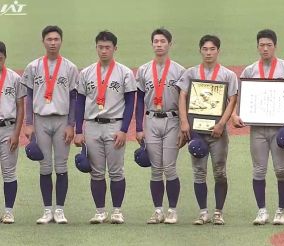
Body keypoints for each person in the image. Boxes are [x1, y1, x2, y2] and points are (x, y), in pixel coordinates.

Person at [231, 29, 284, 225]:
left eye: (268, 45)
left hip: (280, 128)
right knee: (258, 170)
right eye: (261, 45)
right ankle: (262, 210)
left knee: (281, 170)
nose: (265, 49)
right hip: (258, 128)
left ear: (275, 46)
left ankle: (281, 210)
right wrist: (236, 115)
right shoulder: (250, 70)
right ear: (257, 47)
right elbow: (240, 96)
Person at [74, 30, 136, 224]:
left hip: (115, 125)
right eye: (100, 47)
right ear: (96, 48)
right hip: (92, 126)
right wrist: (78, 130)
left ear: (115, 48)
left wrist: (124, 129)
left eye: (107, 47)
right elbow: (79, 102)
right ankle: (100, 211)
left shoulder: (124, 72)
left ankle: (117, 211)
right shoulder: (86, 73)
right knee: (96, 171)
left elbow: (130, 102)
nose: (103, 51)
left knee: (116, 170)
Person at [177, 34, 238, 225]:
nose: (208, 53)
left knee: (219, 171)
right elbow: (182, 96)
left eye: (212, 49)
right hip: (196, 131)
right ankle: (203, 212)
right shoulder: (191, 73)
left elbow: (233, 99)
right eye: (205, 49)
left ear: (218, 51)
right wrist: (184, 122)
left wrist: (222, 123)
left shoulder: (227, 75)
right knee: (199, 172)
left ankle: (218, 211)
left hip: (217, 132)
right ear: (200, 50)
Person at [22, 25, 78, 224]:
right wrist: (29, 123)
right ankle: (47, 211)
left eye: (56, 39)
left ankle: (60, 210)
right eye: (49, 39)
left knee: (61, 165)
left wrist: (72, 124)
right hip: (41, 120)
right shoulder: (33, 66)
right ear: (43, 41)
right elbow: (28, 95)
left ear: (61, 41)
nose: (53, 43)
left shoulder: (70, 67)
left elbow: (74, 97)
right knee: (44, 166)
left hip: (62, 120)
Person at [135, 28, 185, 224]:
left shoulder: (180, 70)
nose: (159, 44)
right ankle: (157, 210)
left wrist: (183, 125)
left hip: (172, 120)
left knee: (170, 167)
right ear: (152, 44)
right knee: (156, 169)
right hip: (152, 120)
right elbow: (139, 100)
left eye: (163, 41)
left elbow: (184, 100)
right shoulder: (144, 70)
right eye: (155, 41)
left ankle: (172, 210)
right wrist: (139, 127)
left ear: (170, 44)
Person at [0, 42, 26, 224]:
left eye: (0, 58)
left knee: (9, 172)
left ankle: (8, 211)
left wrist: (16, 133)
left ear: (5, 57)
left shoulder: (14, 78)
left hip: (8, 129)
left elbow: (20, 107)